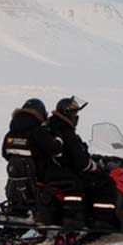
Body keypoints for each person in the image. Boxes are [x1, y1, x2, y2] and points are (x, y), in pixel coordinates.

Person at [46, 96, 115, 225]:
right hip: (67, 172)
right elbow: (79, 161)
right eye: (75, 113)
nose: (77, 116)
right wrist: (94, 166)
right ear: (68, 114)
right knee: (106, 182)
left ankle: (87, 213)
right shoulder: (65, 130)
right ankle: (102, 220)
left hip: (55, 171)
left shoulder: (52, 126)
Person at [1, 98, 64, 212]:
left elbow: (5, 155)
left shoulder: (10, 133)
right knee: (73, 182)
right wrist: (58, 136)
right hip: (39, 180)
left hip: (15, 182)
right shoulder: (38, 131)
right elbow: (56, 150)